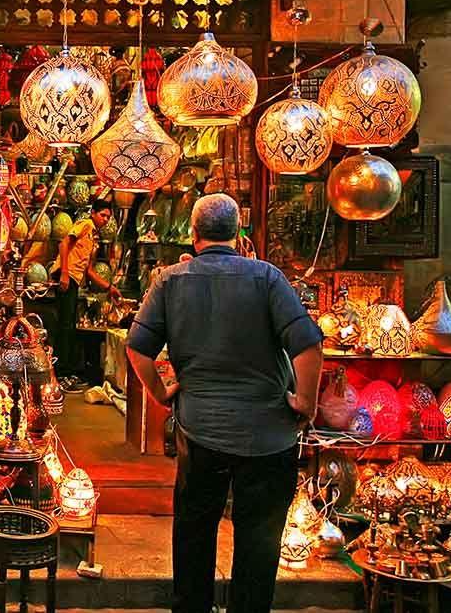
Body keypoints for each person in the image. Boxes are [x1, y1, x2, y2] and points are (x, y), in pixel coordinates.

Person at [124, 193, 323, 613]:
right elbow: (308, 345)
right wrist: (305, 402)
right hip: (268, 435)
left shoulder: (170, 279)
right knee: (259, 539)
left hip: (201, 432)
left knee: (195, 531)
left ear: (193, 233)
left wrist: (162, 395)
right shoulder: (266, 277)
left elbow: (138, 349)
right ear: (238, 234)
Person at [55, 199, 119, 386]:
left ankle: (66, 371)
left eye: (108, 216)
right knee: (65, 327)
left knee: (69, 328)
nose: (105, 219)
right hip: (66, 276)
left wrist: (109, 287)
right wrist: (65, 273)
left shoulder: (93, 237)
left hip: (75, 280)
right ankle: (60, 374)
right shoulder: (85, 224)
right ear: (93, 213)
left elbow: (89, 271)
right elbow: (64, 244)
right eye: (103, 215)